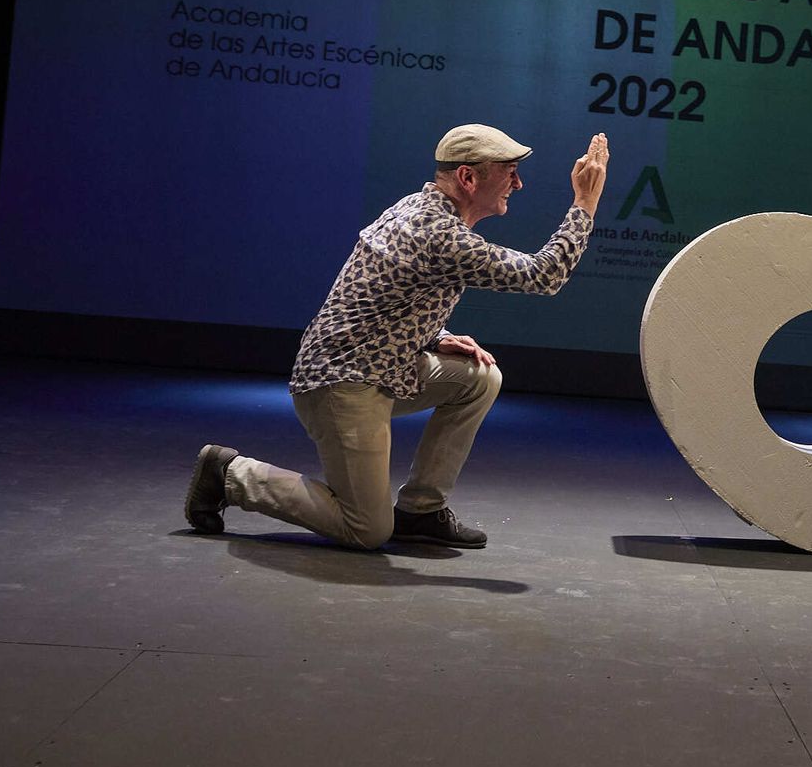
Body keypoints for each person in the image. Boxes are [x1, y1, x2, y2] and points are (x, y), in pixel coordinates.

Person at [184, 126, 610, 549]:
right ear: (468, 177)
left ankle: (420, 510)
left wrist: (433, 336)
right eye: (510, 172)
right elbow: (543, 276)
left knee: (479, 377)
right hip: (342, 382)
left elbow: (385, 297)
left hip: (381, 366)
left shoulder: (418, 208)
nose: (518, 184)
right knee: (365, 529)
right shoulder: (439, 234)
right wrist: (585, 202)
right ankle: (229, 474)